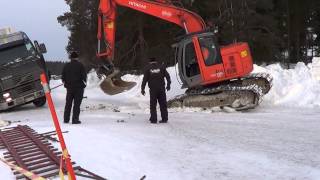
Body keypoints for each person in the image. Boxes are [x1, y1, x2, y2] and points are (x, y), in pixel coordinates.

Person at [141, 57, 171, 124]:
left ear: (149, 62)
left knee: (153, 105)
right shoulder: (161, 67)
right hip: (161, 89)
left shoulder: (147, 68)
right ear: (156, 61)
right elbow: (168, 76)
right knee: (163, 104)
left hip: (153, 90)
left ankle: (153, 119)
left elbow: (144, 80)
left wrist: (142, 89)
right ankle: (164, 119)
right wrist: (168, 85)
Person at [61, 51, 87, 124]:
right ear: (77, 57)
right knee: (76, 104)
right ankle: (75, 120)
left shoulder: (66, 66)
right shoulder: (80, 65)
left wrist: (65, 82)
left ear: (71, 58)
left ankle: (66, 119)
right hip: (79, 88)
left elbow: (63, 77)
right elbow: (84, 77)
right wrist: (84, 83)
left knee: (68, 104)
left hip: (69, 88)